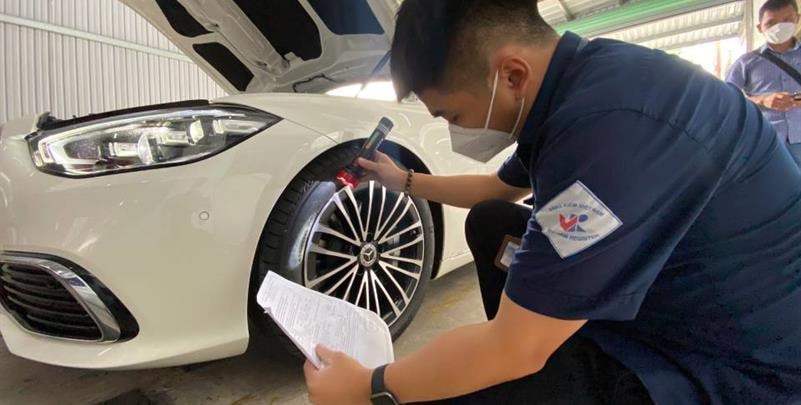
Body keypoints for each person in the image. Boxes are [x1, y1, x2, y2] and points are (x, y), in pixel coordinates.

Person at [303, 0, 801, 404]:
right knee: (491, 222)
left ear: (511, 75)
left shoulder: (607, 132)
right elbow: (494, 190)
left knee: (448, 386)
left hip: (724, 362)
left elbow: (514, 349)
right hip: (670, 292)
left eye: (452, 114)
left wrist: (369, 388)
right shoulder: (581, 85)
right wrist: (403, 179)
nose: (456, 129)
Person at [727, 0, 801, 165]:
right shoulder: (746, 62)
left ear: (798, 18)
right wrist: (763, 100)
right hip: (764, 142)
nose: (780, 27)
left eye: (787, 20)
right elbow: (727, 99)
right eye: (771, 23)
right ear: (760, 28)